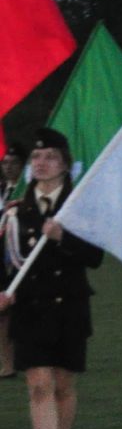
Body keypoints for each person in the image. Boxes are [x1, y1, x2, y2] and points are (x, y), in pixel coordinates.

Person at [0, 129, 105, 429]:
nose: (40, 164)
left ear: (64, 165)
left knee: (62, 385)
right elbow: (7, 261)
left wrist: (64, 237)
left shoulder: (80, 208)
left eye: (49, 158)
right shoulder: (17, 211)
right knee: (39, 384)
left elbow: (95, 258)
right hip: (30, 309)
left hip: (69, 309)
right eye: (36, 159)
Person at [0, 148, 22, 381]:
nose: (8, 167)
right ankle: (8, 364)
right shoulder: (1, 190)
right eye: (5, 162)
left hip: (22, 259)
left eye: (14, 162)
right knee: (3, 314)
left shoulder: (27, 189)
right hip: (1, 259)